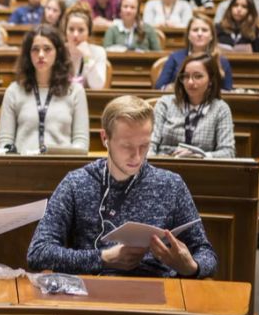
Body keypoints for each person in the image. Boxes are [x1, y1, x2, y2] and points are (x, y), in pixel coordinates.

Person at [26, 95, 216, 277]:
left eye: (144, 145)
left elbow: (206, 253)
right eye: (127, 146)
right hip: (92, 291)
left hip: (155, 289)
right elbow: (38, 252)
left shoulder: (171, 185)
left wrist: (191, 266)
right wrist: (102, 258)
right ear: (105, 138)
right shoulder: (76, 183)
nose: (137, 156)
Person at [0, 25, 89, 154]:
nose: (40, 55)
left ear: (58, 52)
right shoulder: (14, 91)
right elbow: (4, 142)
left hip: (63, 167)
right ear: (28, 54)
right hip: (22, 167)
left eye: (47, 49)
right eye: (35, 49)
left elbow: (81, 143)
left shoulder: (76, 91)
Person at [150, 54, 235, 158]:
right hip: (164, 166)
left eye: (198, 76)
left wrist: (201, 156)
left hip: (202, 169)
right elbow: (150, 144)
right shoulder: (165, 104)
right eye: (186, 76)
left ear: (211, 80)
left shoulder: (221, 109)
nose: (190, 82)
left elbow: (228, 152)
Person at [154, 16, 233, 91]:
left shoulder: (222, 61)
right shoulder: (175, 57)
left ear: (211, 36)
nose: (199, 34)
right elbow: (159, 87)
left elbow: (228, 91)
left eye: (204, 30)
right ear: (188, 35)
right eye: (195, 30)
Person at [63, 3, 107, 90]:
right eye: (71, 29)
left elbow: (97, 87)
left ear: (89, 32)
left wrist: (87, 58)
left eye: (81, 30)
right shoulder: (58, 51)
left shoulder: (98, 52)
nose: (75, 35)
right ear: (65, 30)